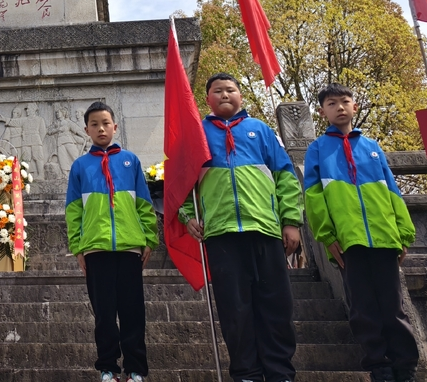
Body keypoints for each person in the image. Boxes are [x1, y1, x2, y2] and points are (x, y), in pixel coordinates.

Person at [180, 73, 302, 382]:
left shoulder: (260, 130)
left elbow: (285, 177)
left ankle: (280, 372)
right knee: (235, 309)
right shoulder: (196, 135)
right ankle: (247, 372)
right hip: (221, 234)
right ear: (206, 99)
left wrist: (290, 221)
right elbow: (181, 182)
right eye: (217, 91)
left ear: (241, 96)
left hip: (264, 229)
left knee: (276, 305)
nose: (224, 94)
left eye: (230, 90)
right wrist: (186, 215)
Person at [303, 84, 419, 382]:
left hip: (384, 236)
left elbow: (392, 190)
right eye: (332, 103)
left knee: (393, 304)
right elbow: (314, 197)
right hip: (347, 239)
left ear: (355, 106)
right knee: (362, 305)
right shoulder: (317, 149)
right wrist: (328, 236)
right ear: (322, 111)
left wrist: (403, 233)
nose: (340, 107)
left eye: (345, 101)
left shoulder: (372, 146)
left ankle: (405, 365)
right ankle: (378, 364)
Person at [66, 101, 158, 382]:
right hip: (96, 249)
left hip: (130, 247)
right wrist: (78, 247)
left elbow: (144, 203)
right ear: (86, 130)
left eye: (105, 123)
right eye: (94, 124)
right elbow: (73, 211)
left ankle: (136, 370)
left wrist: (149, 239)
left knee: (133, 313)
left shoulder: (131, 161)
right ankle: (107, 368)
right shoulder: (80, 166)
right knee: (104, 314)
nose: (101, 128)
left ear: (115, 126)